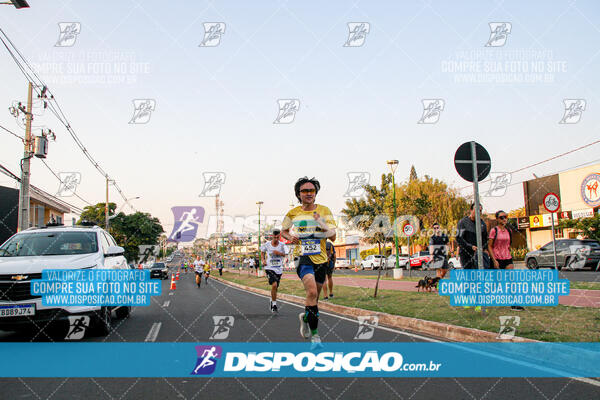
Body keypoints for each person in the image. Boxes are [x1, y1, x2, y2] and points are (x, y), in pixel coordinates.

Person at [281, 177, 336, 349]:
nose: (309, 193)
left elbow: (333, 236)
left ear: (316, 193)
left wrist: (320, 222)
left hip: (321, 259)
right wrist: (290, 237)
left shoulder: (324, 210)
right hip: (302, 257)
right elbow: (283, 231)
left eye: (312, 190)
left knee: (314, 298)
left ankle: (305, 318)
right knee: (311, 291)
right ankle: (316, 337)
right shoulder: (293, 213)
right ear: (299, 194)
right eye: (305, 191)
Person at [456, 203, 489, 312]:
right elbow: (459, 239)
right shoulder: (462, 222)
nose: (479, 212)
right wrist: (471, 247)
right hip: (466, 253)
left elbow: (485, 240)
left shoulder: (482, 224)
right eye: (477, 210)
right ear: (471, 210)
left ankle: (479, 304)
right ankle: (466, 298)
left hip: (478, 254)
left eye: (480, 210)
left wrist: (483, 249)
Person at [488, 210, 523, 311]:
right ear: (497, 219)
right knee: (495, 283)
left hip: (507, 258)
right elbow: (490, 246)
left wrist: (508, 253)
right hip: (497, 258)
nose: (504, 219)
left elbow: (508, 244)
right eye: (501, 217)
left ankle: (514, 304)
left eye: (505, 217)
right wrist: (494, 260)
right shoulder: (494, 230)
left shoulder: (509, 230)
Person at [260, 229, 289, 313]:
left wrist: (279, 253)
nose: (276, 239)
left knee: (276, 288)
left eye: (277, 237)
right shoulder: (267, 244)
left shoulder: (283, 245)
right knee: (274, 285)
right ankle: (274, 304)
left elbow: (286, 255)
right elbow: (262, 252)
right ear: (272, 236)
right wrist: (263, 260)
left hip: (278, 269)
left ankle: (272, 300)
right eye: (274, 237)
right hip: (269, 268)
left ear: (279, 237)